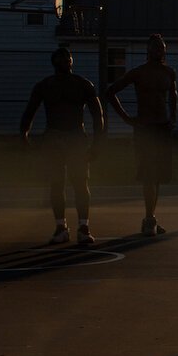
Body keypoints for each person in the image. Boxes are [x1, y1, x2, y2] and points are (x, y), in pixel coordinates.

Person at [20, 46, 105, 247]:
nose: (65, 61)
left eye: (67, 58)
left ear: (71, 62)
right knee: (57, 183)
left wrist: (97, 141)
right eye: (61, 59)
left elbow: (97, 114)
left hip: (76, 137)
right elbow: (30, 110)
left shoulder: (82, 84)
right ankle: (61, 227)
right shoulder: (45, 86)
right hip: (55, 139)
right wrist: (24, 133)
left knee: (79, 182)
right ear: (55, 62)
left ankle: (83, 227)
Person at [105, 33, 178, 237]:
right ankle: (148, 219)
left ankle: (151, 217)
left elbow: (173, 95)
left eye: (161, 48)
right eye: (155, 48)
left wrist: (173, 118)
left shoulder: (169, 73)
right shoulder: (138, 73)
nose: (159, 51)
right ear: (148, 51)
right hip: (145, 129)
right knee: (148, 174)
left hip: (162, 128)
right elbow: (111, 92)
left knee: (158, 177)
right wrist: (127, 119)